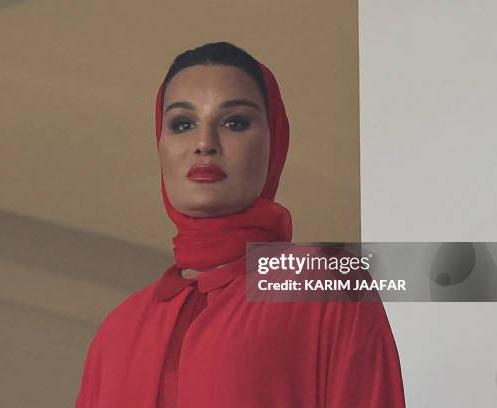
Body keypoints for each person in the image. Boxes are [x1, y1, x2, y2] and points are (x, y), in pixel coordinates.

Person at [75, 41, 406, 407]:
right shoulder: (119, 329)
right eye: (183, 123)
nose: (204, 143)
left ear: (274, 140)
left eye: (234, 122)